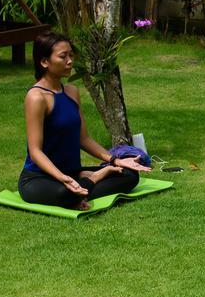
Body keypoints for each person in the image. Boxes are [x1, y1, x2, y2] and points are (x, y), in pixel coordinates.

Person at [19, 32, 149, 210]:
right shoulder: (36, 97)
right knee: (64, 194)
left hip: (73, 173)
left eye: (71, 55)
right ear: (44, 62)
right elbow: (35, 151)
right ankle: (91, 180)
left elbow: (83, 138)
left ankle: (80, 188)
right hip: (39, 177)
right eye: (63, 56)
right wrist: (63, 178)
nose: (70, 61)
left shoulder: (72, 92)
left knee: (130, 175)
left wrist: (115, 161)